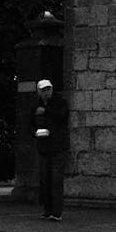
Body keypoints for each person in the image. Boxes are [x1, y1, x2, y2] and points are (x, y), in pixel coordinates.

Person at [33, 78, 69, 220]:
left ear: (52, 90)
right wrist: (35, 132)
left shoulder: (60, 102)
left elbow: (62, 116)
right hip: (44, 147)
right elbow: (30, 123)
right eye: (43, 90)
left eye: (48, 89)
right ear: (39, 92)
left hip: (58, 147)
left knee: (56, 179)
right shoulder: (36, 105)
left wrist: (46, 111)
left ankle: (56, 212)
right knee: (45, 180)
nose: (46, 92)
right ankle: (47, 210)